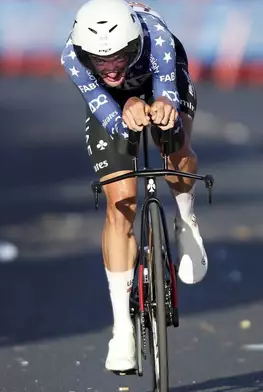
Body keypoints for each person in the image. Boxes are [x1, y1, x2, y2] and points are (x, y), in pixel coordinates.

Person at [61, 0, 208, 373]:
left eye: (119, 57)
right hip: (112, 105)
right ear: (84, 53)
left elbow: (166, 90)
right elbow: (103, 107)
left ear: (134, 45)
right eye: (100, 60)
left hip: (162, 78)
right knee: (121, 201)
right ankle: (122, 329)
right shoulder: (72, 57)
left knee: (174, 150)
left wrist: (163, 106)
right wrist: (122, 113)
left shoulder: (156, 37)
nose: (110, 67)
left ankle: (186, 221)